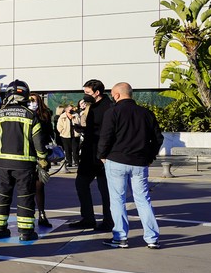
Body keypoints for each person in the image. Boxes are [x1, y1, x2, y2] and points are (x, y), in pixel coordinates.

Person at [98, 82, 164, 249]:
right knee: (143, 199)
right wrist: (149, 157)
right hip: (140, 162)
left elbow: (105, 137)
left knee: (117, 200)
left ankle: (120, 237)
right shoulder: (146, 113)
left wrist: (102, 156)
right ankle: (152, 238)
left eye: (113, 95)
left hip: (116, 160)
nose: (112, 97)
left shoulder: (112, 112)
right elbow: (158, 138)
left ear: (118, 95)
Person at [0, 80, 48, 241]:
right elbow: (39, 142)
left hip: (3, 165)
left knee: (1, 197)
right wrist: (43, 160)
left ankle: (0, 229)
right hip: (25, 166)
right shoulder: (30, 116)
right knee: (25, 198)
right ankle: (26, 232)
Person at [70, 79, 113, 231]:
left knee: (105, 189)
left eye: (88, 93)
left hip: (102, 155)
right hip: (89, 152)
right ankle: (88, 218)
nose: (85, 96)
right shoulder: (90, 107)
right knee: (81, 183)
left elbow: (107, 132)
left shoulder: (108, 107)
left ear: (97, 93)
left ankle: (109, 220)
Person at [29, 93, 54, 227]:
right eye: (30, 100)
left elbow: (50, 133)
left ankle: (42, 214)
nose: (31, 103)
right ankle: (29, 214)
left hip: (41, 154)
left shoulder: (45, 115)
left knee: (39, 186)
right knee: (27, 187)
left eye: (34, 100)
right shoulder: (24, 114)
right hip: (27, 153)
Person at [56, 103, 80, 169]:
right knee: (67, 149)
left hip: (75, 135)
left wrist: (74, 118)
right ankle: (69, 162)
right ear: (66, 110)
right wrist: (62, 131)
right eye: (70, 109)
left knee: (75, 149)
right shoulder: (62, 116)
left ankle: (77, 162)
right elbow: (59, 126)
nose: (71, 110)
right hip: (65, 135)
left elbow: (79, 123)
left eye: (72, 109)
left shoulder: (76, 115)